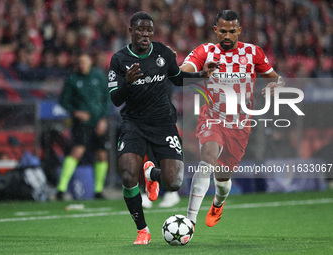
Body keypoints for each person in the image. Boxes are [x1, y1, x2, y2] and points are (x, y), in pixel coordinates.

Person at [108, 11, 217, 245]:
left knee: (173, 182)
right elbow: (116, 99)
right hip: (134, 123)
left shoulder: (163, 53)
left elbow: (177, 78)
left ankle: (151, 173)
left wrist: (201, 75)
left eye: (149, 30)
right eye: (140, 30)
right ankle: (142, 230)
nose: (145, 34)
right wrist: (127, 82)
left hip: (164, 124)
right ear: (131, 32)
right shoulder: (119, 60)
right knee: (127, 173)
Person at [180, 10, 285, 228]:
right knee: (206, 160)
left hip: (239, 125)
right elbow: (182, 72)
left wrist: (276, 85)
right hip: (212, 116)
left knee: (222, 178)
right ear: (215, 30)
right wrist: (192, 72)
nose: (227, 36)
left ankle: (218, 203)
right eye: (223, 31)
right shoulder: (205, 51)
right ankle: (189, 221)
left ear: (239, 31)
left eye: (232, 31)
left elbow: (276, 78)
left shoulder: (253, 52)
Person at [56, 52, 111, 200]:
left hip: (98, 121)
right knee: (77, 151)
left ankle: (98, 190)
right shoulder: (73, 79)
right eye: (80, 62)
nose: (82, 65)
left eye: (84, 61)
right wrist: (76, 112)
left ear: (90, 61)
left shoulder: (99, 76)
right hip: (82, 123)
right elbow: (63, 101)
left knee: (102, 154)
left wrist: (103, 119)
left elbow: (107, 98)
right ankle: (61, 189)